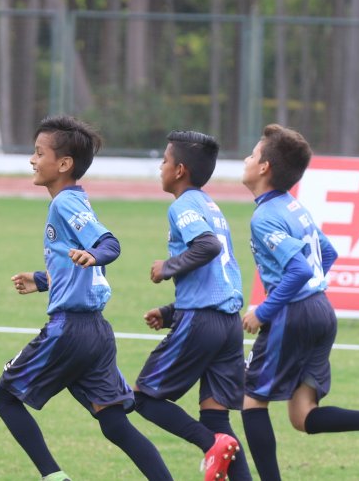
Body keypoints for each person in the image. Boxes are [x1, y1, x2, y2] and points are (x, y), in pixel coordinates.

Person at [0, 115, 173, 481]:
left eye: (39, 153)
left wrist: (96, 253)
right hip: (96, 333)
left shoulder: (65, 204)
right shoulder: (76, 200)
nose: (32, 160)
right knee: (114, 423)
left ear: (63, 164)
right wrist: (42, 279)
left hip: (69, 330)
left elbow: (109, 244)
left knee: (4, 397)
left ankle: (53, 477)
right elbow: (79, 264)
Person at [238, 124, 359, 481]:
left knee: (252, 400)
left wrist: (265, 310)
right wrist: (308, 294)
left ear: (264, 168)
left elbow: (299, 269)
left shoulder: (265, 216)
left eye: (253, 154)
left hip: (294, 314)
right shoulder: (294, 207)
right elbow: (327, 252)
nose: (246, 159)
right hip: (321, 310)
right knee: (302, 415)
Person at [135, 131, 252, 481]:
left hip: (202, 321)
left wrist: (167, 267)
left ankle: (208, 444)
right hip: (228, 324)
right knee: (217, 419)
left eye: (165, 161)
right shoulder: (210, 206)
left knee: (144, 398)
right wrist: (171, 312)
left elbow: (207, 248)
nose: (161, 167)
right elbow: (216, 275)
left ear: (180, 170)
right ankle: (217, 442)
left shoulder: (183, 206)